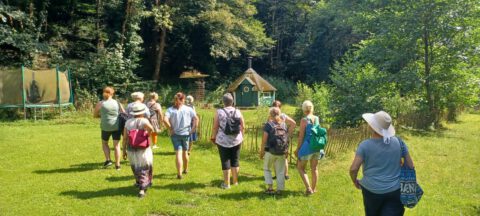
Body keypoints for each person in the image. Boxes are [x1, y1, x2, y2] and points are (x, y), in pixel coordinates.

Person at [349, 111, 415, 216]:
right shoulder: (399, 142)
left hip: (371, 190)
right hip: (396, 189)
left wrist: (355, 181)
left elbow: (353, 169)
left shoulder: (364, 145)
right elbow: (411, 165)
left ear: (372, 126)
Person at [210, 93, 245, 189]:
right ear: (232, 101)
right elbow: (243, 126)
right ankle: (235, 182)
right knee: (235, 160)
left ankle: (226, 184)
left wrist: (213, 137)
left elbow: (215, 127)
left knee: (225, 161)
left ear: (223, 102)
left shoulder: (219, 112)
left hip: (223, 140)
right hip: (237, 139)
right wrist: (242, 136)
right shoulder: (238, 111)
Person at [122, 103, 154, 198]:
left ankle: (139, 182)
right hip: (143, 148)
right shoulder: (144, 120)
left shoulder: (128, 122)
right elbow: (151, 129)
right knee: (145, 167)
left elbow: (125, 138)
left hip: (131, 148)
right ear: (142, 112)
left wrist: (123, 150)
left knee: (136, 167)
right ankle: (142, 189)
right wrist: (146, 135)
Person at [163, 92, 198, 179]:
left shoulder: (170, 110)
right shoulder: (188, 109)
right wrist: (193, 129)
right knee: (185, 152)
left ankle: (179, 173)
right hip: (186, 133)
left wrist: (170, 128)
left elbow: (164, 119)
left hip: (175, 134)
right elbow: (196, 118)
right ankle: (185, 169)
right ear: (183, 99)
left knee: (178, 153)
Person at [294, 100, 323, 195]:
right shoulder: (317, 118)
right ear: (312, 108)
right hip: (317, 146)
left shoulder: (304, 120)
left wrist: (298, 149)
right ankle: (314, 189)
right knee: (314, 168)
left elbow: (301, 136)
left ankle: (308, 189)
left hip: (308, 146)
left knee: (300, 167)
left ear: (303, 109)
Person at [260, 107, 291, 195]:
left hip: (270, 151)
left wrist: (262, 152)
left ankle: (270, 188)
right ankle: (279, 190)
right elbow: (287, 139)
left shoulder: (269, 125)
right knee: (280, 171)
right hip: (281, 152)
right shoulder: (284, 125)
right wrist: (286, 151)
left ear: (270, 114)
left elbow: (264, 141)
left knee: (267, 168)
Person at [94, 86, 124, 170]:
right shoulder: (117, 103)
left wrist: (102, 115)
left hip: (105, 126)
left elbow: (94, 115)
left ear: (103, 93)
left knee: (104, 143)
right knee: (117, 146)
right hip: (116, 126)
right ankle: (117, 165)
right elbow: (123, 113)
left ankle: (108, 160)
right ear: (112, 93)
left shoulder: (100, 103)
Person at [271, 100, 296, 180]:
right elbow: (293, 123)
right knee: (284, 157)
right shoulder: (283, 116)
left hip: (274, 139)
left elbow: (269, 128)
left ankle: (277, 175)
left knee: (274, 157)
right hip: (283, 139)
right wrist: (288, 134)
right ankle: (286, 175)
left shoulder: (271, 116)